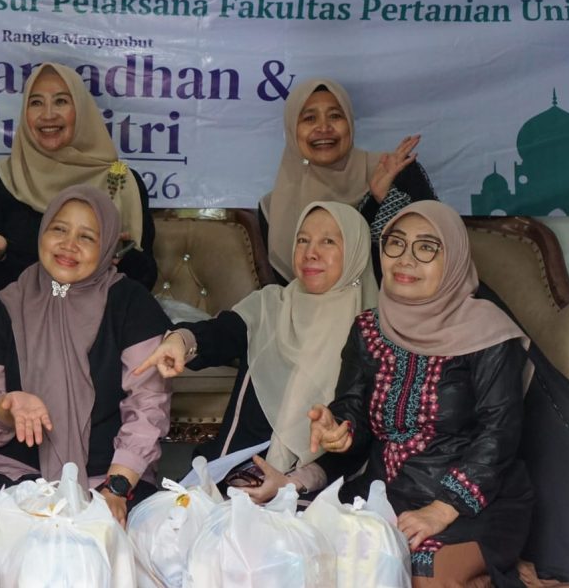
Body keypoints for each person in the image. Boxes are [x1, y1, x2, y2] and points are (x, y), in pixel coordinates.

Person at [299, 201, 532, 585]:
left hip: (474, 502)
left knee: (420, 572)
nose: (405, 259)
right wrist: (338, 427)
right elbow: (354, 408)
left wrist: (443, 508)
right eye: (396, 243)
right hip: (386, 493)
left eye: (426, 248)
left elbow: (500, 432)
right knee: (304, 554)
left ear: (453, 260)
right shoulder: (369, 329)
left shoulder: (487, 333)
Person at [0, 185, 170, 526]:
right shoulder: (2, 307)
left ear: (108, 246)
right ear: (42, 233)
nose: (68, 245)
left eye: (87, 237)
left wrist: (117, 487)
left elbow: (148, 406)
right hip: (15, 476)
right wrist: (5, 408)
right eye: (59, 229)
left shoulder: (132, 305)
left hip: (110, 479)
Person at [135, 201, 377, 489]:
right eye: (303, 240)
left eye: (328, 242)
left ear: (356, 252)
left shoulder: (373, 332)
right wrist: (181, 340)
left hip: (314, 491)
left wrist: (293, 483)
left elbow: (364, 437)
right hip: (234, 478)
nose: (310, 253)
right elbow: (222, 333)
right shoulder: (270, 305)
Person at [0, 62, 158, 328]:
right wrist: (3, 253)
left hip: (95, 328)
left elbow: (143, 279)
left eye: (61, 101)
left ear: (82, 111)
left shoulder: (121, 181)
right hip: (10, 326)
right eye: (36, 103)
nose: (48, 114)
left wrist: (119, 253)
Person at [260, 78, 437, 282]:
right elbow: (286, 286)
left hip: (395, 299)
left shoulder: (393, 170)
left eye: (335, 116)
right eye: (309, 118)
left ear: (350, 123)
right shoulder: (274, 208)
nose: (323, 127)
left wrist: (383, 201)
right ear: (292, 130)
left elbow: (436, 249)